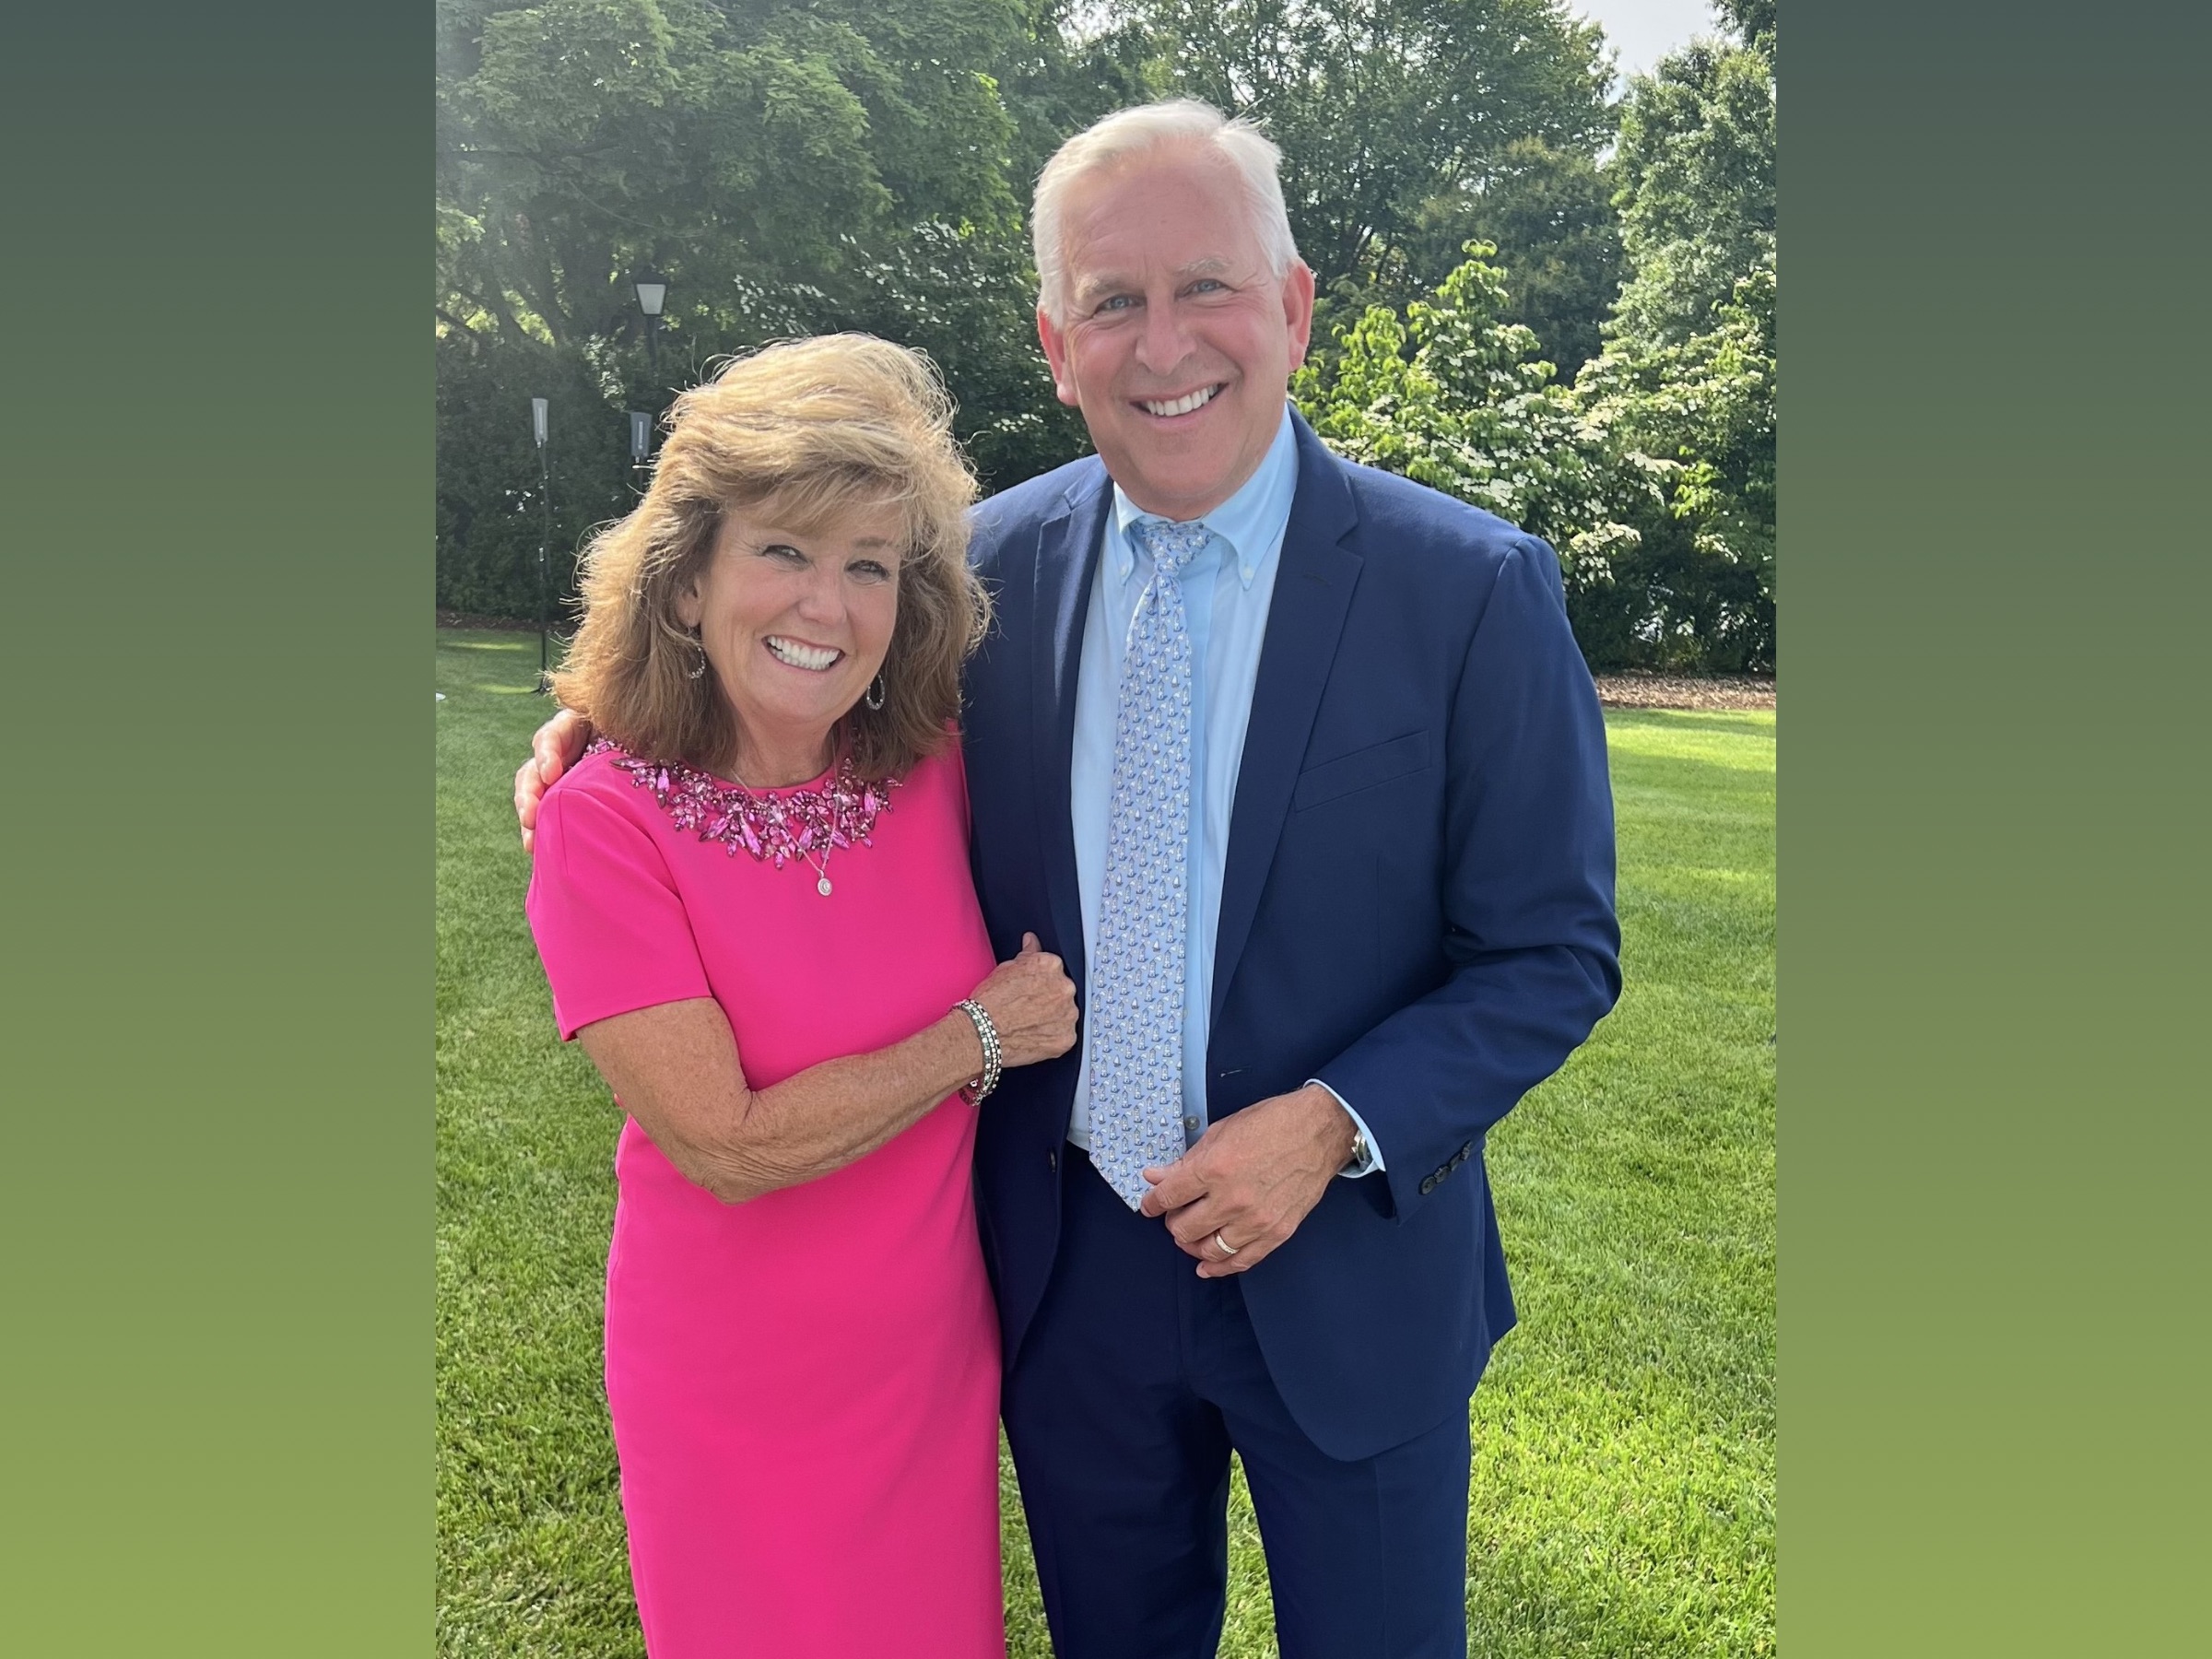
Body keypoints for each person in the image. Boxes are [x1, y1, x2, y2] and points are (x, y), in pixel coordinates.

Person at [521, 102, 1618, 1659]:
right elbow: (789, 659)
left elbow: (1553, 952)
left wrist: (1330, 1128)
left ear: (1294, 305)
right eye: (1113, 300)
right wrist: (608, 724)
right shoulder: (974, 577)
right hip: (1065, 1272)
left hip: (1349, 1273)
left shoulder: (1471, 588)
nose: (1164, 341)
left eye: (1207, 287)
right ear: (1056, 340)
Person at [521, 333, 1077, 1659]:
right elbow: (726, 1142)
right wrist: (978, 1035)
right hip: (731, 1389)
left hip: (929, 1369)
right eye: (783, 550)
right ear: (686, 580)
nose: (825, 605)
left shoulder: (937, 762)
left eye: (868, 566)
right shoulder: (605, 827)